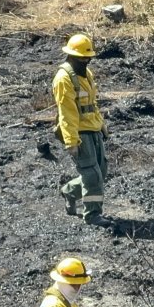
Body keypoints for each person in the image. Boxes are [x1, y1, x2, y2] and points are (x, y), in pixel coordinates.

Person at [53, 34, 114, 228]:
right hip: (79, 133)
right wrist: (71, 141)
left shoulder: (87, 74)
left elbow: (92, 104)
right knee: (92, 176)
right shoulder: (64, 79)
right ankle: (93, 215)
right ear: (71, 56)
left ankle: (69, 191)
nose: (86, 61)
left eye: (89, 58)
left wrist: (101, 125)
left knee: (100, 173)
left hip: (93, 129)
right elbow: (67, 113)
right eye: (82, 58)